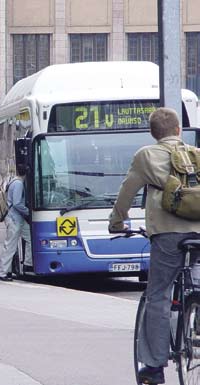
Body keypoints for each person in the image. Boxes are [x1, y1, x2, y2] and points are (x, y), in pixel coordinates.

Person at [109, 108, 200, 384]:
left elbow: (127, 192)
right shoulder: (196, 153)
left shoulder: (146, 155)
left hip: (167, 236)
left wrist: (117, 222)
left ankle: (154, 366)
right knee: (195, 283)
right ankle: (193, 314)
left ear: (153, 133)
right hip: (198, 233)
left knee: (157, 295)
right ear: (178, 131)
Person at [0, 164, 32, 282]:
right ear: (26, 173)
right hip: (15, 218)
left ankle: (28, 263)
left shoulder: (12, 181)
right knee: (10, 246)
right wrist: (29, 212)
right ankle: (0, 273)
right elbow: (17, 203)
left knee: (30, 237)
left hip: (16, 219)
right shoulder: (19, 184)